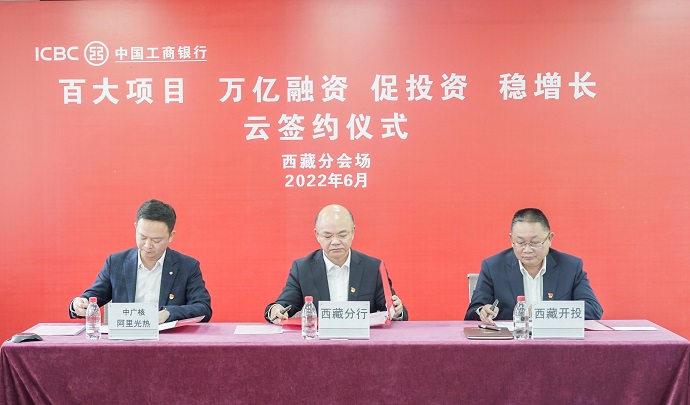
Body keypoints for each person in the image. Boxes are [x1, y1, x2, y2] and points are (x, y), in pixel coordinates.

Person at [69, 199, 212, 324]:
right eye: (143, 237)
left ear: (171, 236)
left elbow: (203, 308)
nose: (148, 245)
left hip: (168, 339)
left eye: (156, 240)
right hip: (125, 339)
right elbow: (94, 296)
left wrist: (168, 313)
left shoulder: (187, 266)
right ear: (135, 228)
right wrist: (79, 303)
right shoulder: (116, 262)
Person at [265, 204, 408, 324]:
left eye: (342, 235)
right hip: (319, 343)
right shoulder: (302, 268)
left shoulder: (373, 268)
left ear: (353, 232)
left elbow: (391, 309)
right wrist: (276, 310)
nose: (335, 242)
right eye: (327, 236)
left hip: (363, 342)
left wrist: (396, 311)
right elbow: (285, 304)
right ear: (317, 235)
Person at [465, 208, 603, 324]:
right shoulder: (493, 267)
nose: (527, 250)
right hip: (511, 342)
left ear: (550, 239)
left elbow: (593, 310)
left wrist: (544, 311)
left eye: (535, 243)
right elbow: (473, 312)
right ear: (511, 240)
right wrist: (482, 311)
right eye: (520, 242)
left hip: (556, 341)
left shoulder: (570, 267)